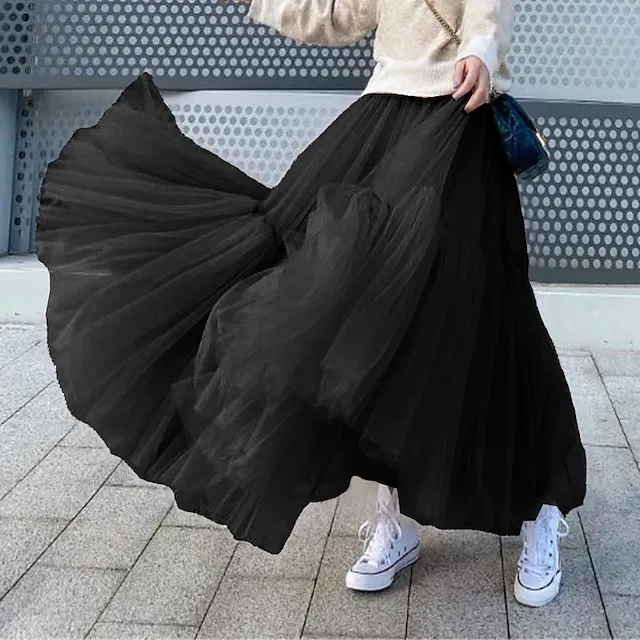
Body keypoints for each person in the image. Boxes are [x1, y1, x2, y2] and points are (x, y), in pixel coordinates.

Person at [36, 0, 586, 610]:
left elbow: (489, 7)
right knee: (361, 323)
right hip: (385, 121)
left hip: (459, 122)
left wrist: (480, 48)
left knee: (486, 322)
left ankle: (542, 507)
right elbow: (338, 14)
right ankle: (397, 514)